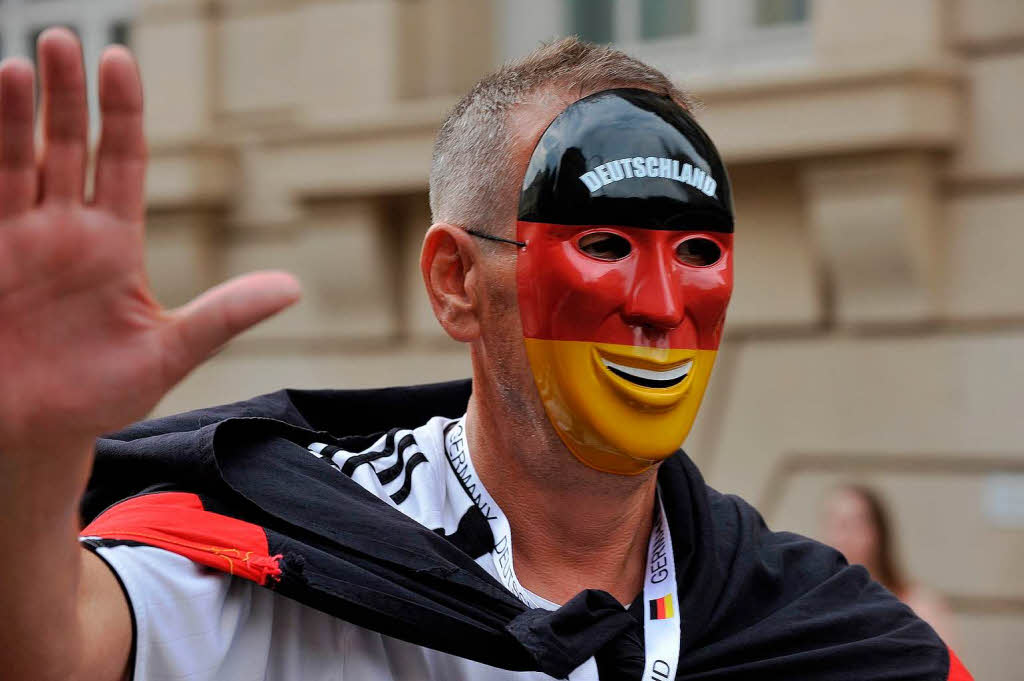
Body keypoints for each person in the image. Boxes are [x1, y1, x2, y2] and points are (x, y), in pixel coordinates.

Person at [0, 27, 972, 681]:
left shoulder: (808, 624)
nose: (660, 308)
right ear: (456, 284)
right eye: (600, 247)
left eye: (698, 254)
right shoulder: (307, 550)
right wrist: (31, 454)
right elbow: (51, 648)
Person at [823, 483, 956, 645]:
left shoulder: (918, 605)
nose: (841, 538)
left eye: (852, 524)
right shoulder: (820, 607)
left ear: (878, 532)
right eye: (833, 524)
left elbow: (945, 664)